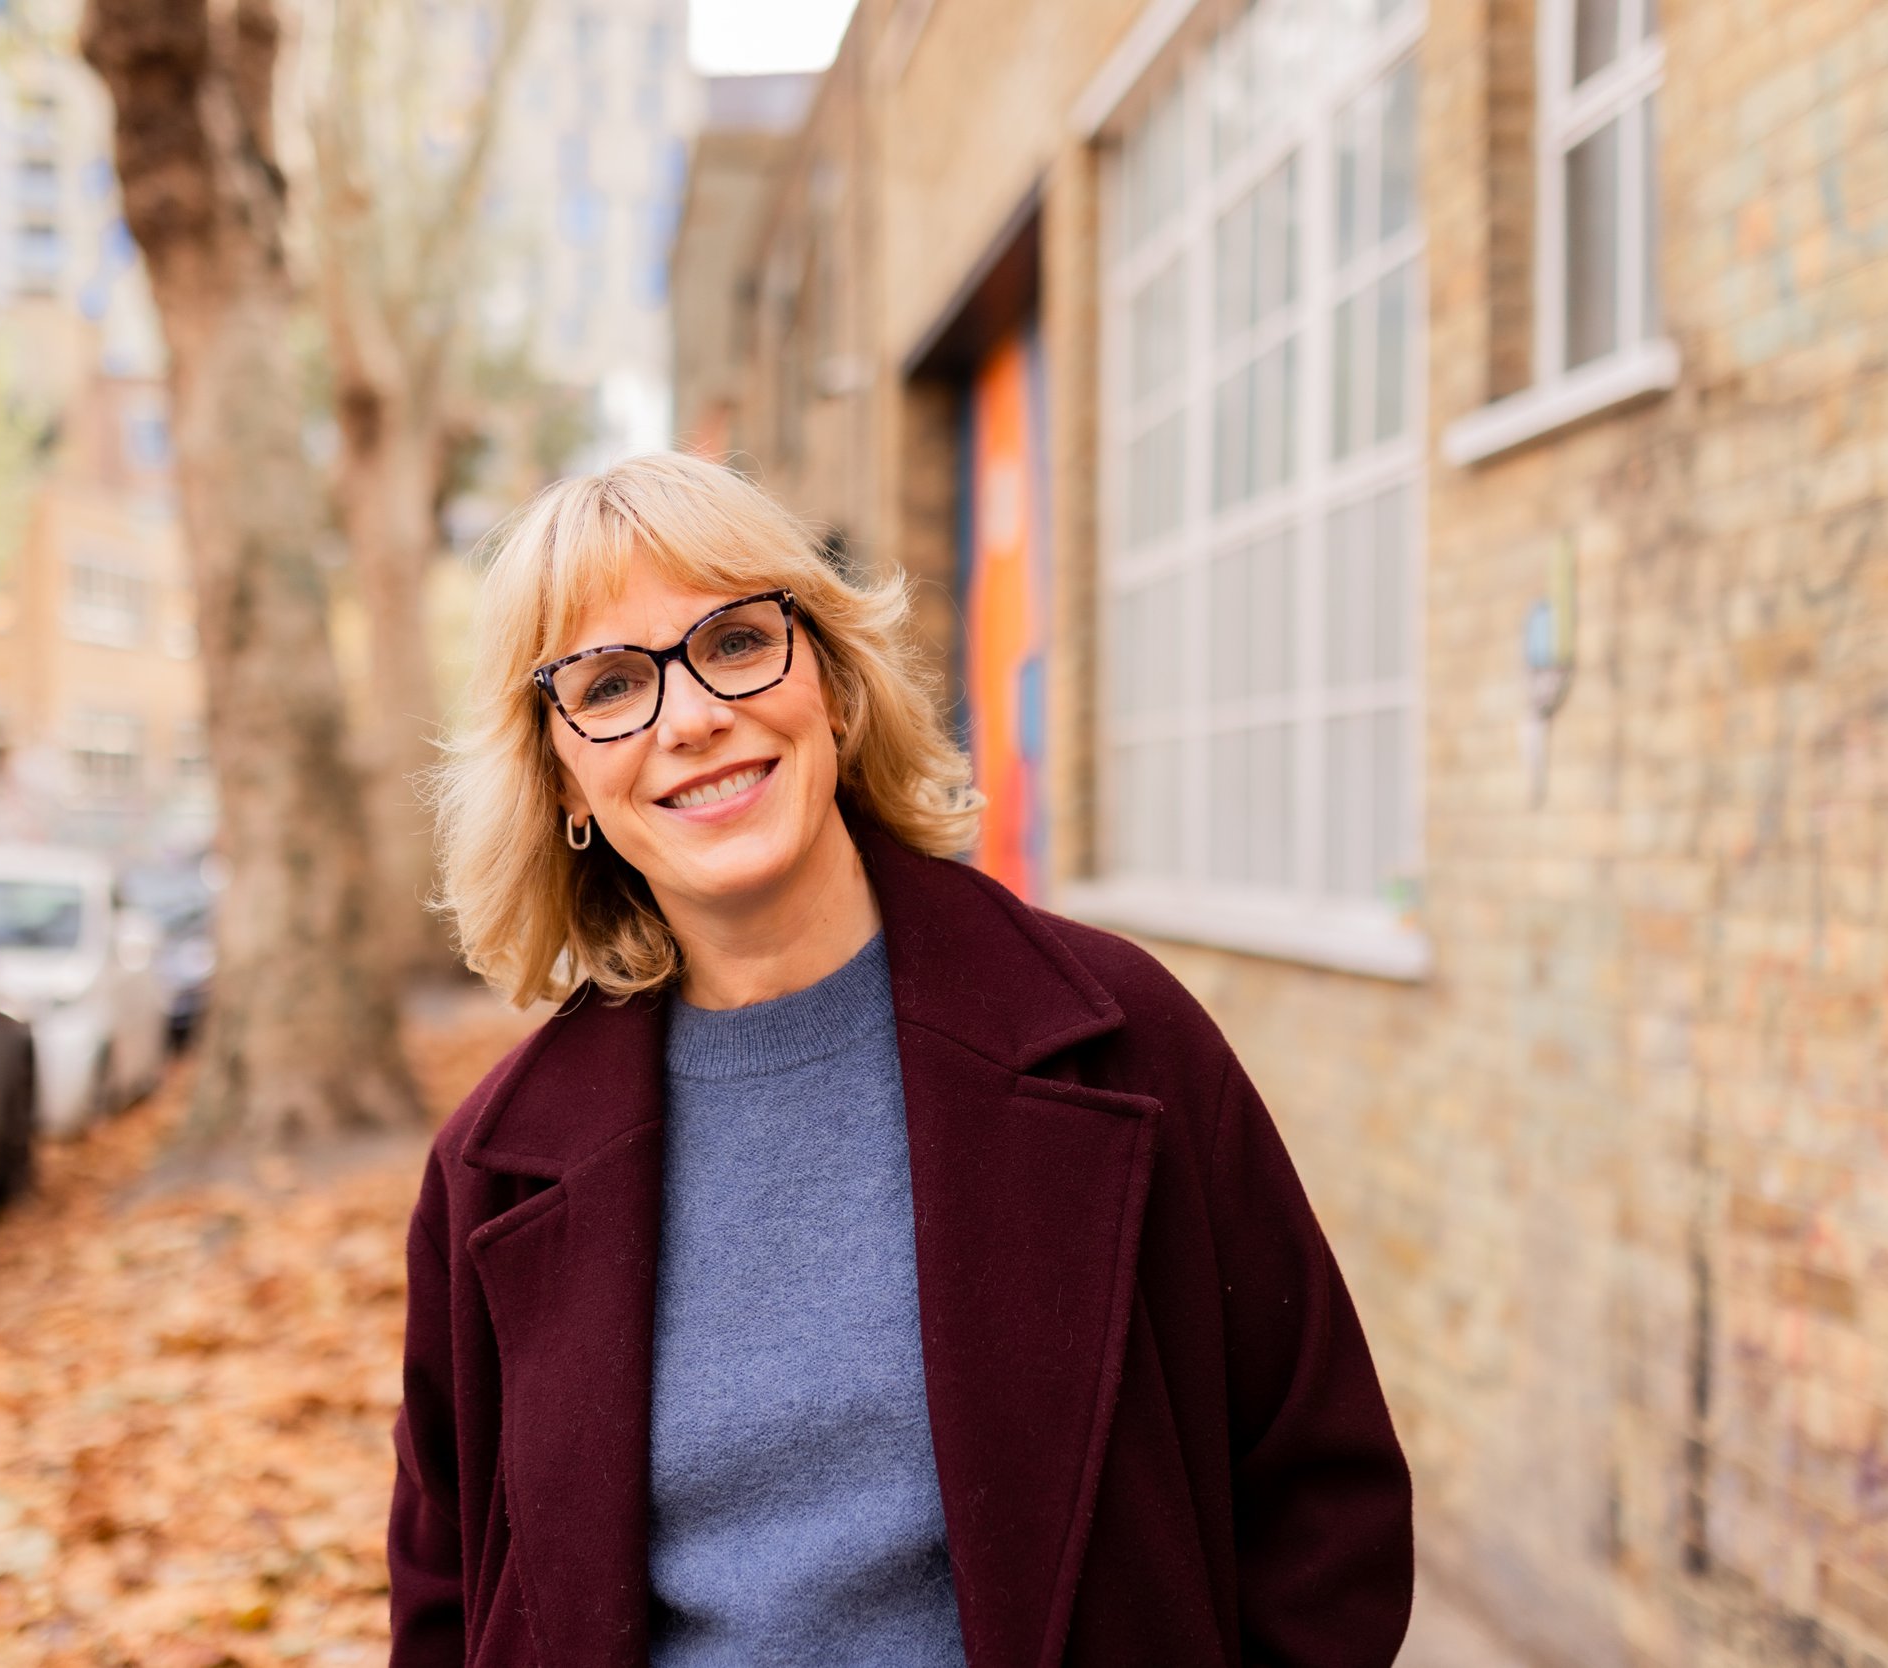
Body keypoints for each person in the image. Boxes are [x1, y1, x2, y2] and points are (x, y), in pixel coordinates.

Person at [393, 452, 1411, 1668]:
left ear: (830, 681)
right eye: (609, 685)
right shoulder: (492, 1172)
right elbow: (446, 1604)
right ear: (563, 776)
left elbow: (1323, 1508)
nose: (690, 716)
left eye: (729, 643)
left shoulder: (1125, 1040)